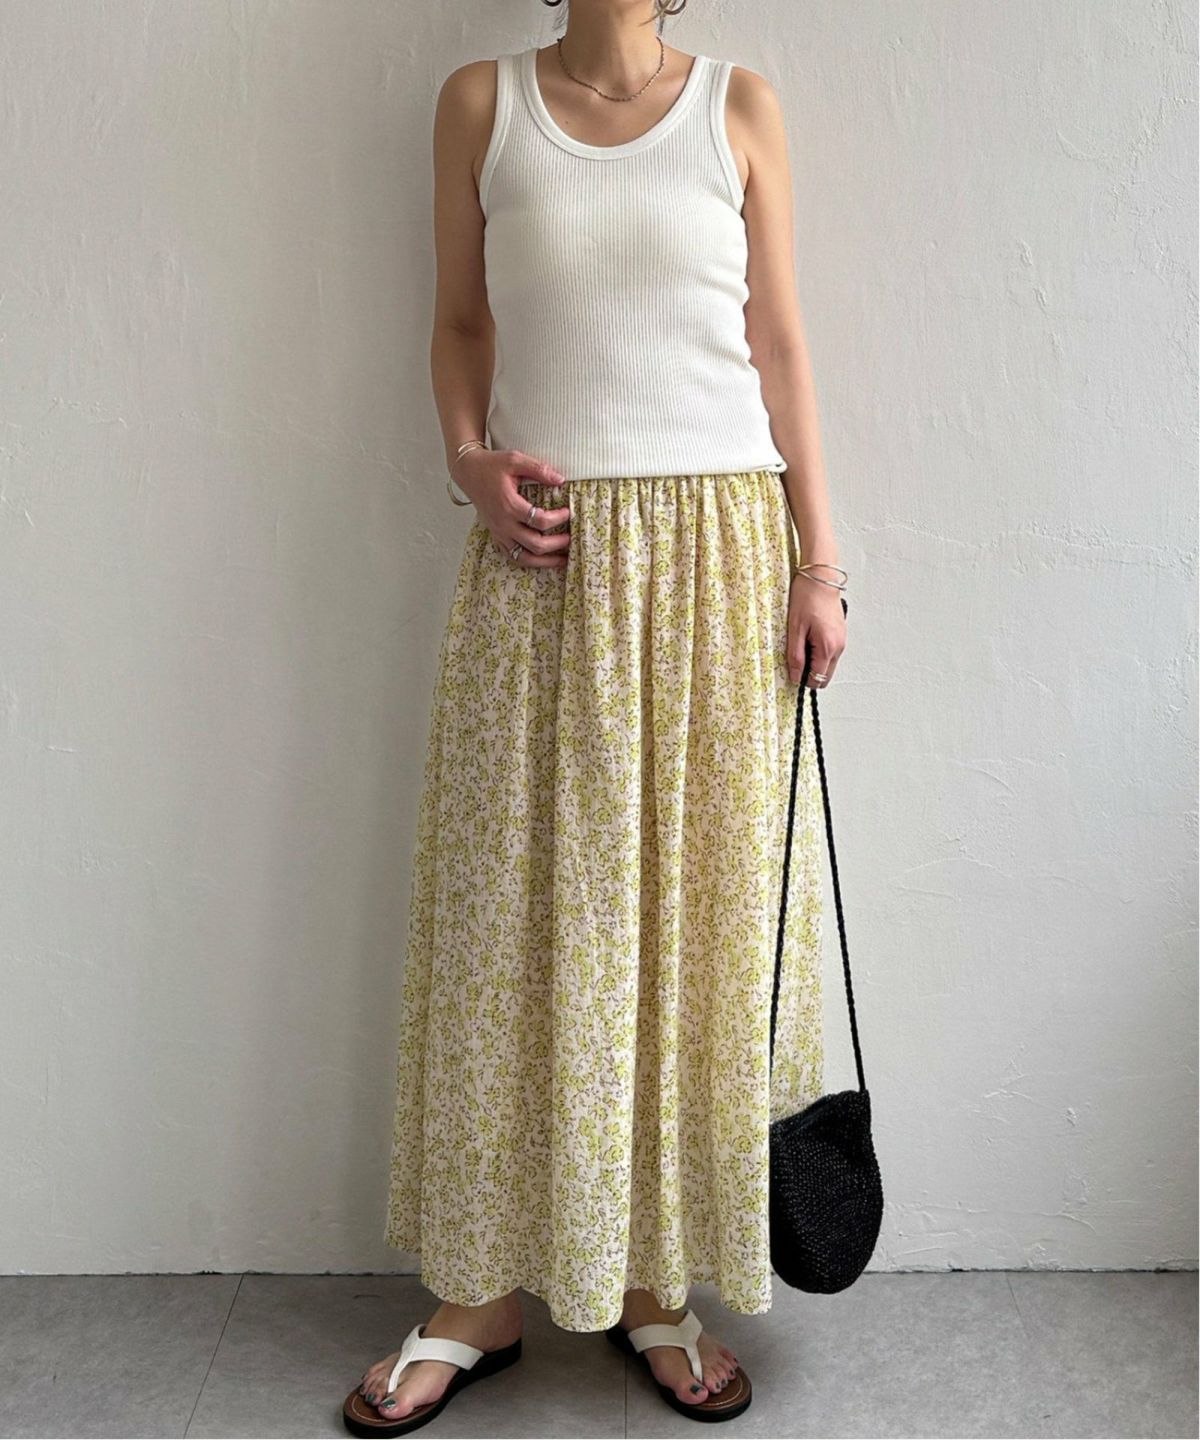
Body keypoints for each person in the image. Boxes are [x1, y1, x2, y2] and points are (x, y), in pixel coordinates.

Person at [343, 1, 847, 1433]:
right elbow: (460, 320)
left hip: (719, 563)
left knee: (692, 929)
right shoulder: (479, 103)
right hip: (545, 561)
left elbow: (779, 343)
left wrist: (821, 563)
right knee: (507, 921)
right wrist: (468, 458)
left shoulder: (741, 107)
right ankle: (479, 1291)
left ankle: (651, 1281)